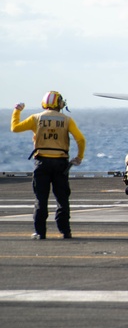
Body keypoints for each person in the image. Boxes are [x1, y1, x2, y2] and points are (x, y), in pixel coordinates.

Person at [10, 91, 86, 239]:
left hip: (42, 162)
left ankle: (40, 232)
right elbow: (81, 139)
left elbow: (15, 128)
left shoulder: (36, 118)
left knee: (41, 198)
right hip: (61, 163)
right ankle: (65, 231)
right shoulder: (67, 120)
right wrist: (79, 157)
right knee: (62, 199)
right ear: (59, 103)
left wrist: (17, 111)